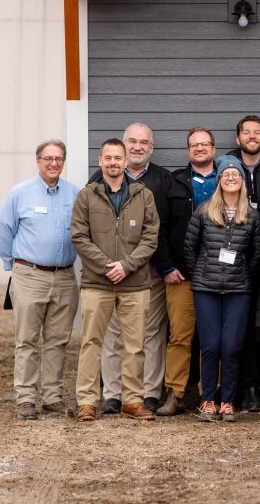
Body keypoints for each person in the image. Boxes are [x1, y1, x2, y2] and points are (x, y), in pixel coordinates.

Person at [70, 138, 160, 422]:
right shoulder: (87, 196)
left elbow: (150, 237)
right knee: (91, 342)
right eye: (107, 158)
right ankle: (87, 401)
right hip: (97, 283)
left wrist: (127, 265)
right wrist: (107, 265)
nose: (112, 163)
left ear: (125, 161)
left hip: (135, 283)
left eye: (117, 158)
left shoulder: (143, 195)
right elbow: (79, 237)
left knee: (135, 345)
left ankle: (132, 400)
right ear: (100, 161)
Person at [90, 123, 175, 416]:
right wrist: (108, 265)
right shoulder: (97, 180)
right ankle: (113, 394)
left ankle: (148, 394)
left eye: (144, 143)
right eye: (132, 142)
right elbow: (88, 229)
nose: (138, 147)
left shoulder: (163, 180)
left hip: (148, 271)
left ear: (151, 147)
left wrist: (162, 266)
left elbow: (162, 231)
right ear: (124, 149)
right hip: (108, 271)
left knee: (150, 335)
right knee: (112, 335)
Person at [0, 140, 80, 420]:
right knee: (27, 340)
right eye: (48, 158)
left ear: (63, 162)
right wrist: (14, 266)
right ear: (38, 161)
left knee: (58, 341)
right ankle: (26, 399)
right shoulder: (20, 193)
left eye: (58, 159)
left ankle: (52, 398)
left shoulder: (74, 194)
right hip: (29, 275)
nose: (53, 163)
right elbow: (4, 232)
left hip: (65, 277)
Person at [184, 155, 260, 422]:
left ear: (243, 181)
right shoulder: (204, 212)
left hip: (237, 290)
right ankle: (208, 400)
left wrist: (242, 275)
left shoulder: (252, 216)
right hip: (206, 288)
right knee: (211, 346)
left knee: (231, 346)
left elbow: (256, 254)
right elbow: (190, 249)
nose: (231, 178)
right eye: (226, 175)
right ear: (219, 181)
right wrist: (201, 273)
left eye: (236, 174)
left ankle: (227, 401)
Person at [156, 127, 215, 416]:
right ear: (188, 150)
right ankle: (175, 394)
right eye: (194, 145)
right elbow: (159, 229)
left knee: (212, 338)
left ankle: (210, 394)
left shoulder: (228, 179)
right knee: (179, 336)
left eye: (205, 144)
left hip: (218, 276)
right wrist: (166, 266)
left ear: (213, 149)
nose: (200, 149)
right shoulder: (174, 182)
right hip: (181, 275)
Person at [226, 115, 260, 412]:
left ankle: (254, 386)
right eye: (246, 132)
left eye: (257, 132)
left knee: (255, 318)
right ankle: (248, 388)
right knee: (241, 321)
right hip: (234, 253)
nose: (252, 136)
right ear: (238, 138)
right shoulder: (227, 166)